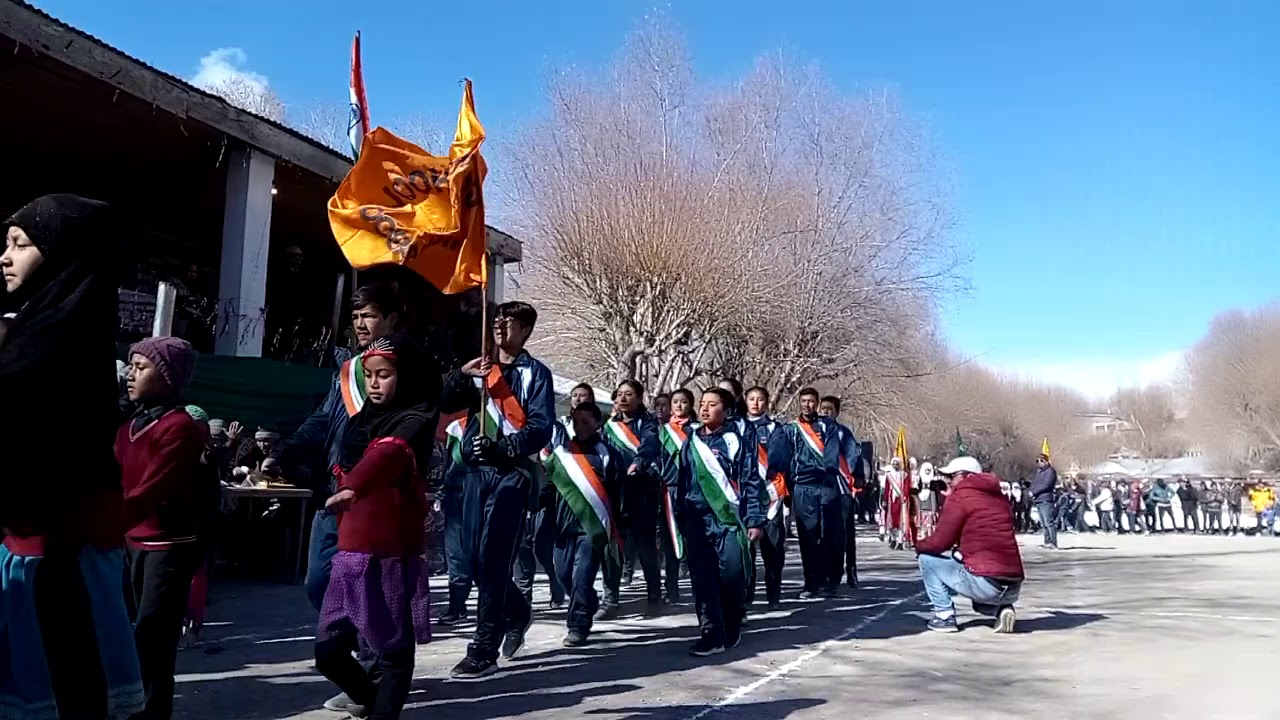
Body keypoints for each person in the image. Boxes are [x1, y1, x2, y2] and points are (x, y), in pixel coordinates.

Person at [0, 195, 145, 719]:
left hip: (58, 561)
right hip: (36, 551)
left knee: (64, 689)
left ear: (62, 256)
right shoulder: (39, 331)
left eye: (20, 244)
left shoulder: (53, 348)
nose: (4, 256)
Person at [268, 282, 405, 712]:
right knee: (318, 582)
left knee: (368, 589)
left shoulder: (403, 369)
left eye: (370, 315)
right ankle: (361, 661)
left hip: (372, 500)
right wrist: (286, 450)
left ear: (391, 320)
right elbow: (324, 419)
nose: (361, 324)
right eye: (357, 316)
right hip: (333, 497)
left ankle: (372, 675)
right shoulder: (346, 372)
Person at [315, 335, 437, 719]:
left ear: (406, 377)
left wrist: (354, 486)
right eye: (368, 375)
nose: (374, 383)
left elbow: (388, 455)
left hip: (390, 554)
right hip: (351, 553)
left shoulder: (416, 419)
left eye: (384, 375)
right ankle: (372, 702)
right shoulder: (360, 422)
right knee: (329, 653)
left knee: (394, 654)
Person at [441, 301, 555, 680]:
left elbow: (540, 428)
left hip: (512, 474)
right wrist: (461, 376)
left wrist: (504, 447)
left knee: (494, 559)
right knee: (472, 560)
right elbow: (445, 403)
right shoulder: (481, 369)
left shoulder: (536, 374)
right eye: (498, 319)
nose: (501, 325)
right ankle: (518, 611)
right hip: (475, 473)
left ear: (526, 330)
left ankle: (483, 649)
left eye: (511, 321)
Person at [117, 337, 207, 720]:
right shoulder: (128, 427)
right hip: (128, 543)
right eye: (131, 366)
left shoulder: (179, 427)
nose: (130, 374)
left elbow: (151, 489)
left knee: (153, 641)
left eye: (141, 368)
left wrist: (105, 523)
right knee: (125, 638)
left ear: (167, 376)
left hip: (167, 547)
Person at [672, 388, 765, 656]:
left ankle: (732, 621)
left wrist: (754, 520)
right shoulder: (691, 442)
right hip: (697, 521)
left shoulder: (736, 441)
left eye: (712, 405)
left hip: (728, 520)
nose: (704, 409)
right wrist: (681, 516)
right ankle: (710, 632)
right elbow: (682, 481)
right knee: (703, 579)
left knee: (732, 575)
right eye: (702, 404)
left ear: (726, 411)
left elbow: (750, 481)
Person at [543, 401, 623, 646]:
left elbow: (617, 492)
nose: (580, 427)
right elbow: (548, 487)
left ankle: (578, 625)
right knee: (563, 575)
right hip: (564, 525)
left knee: (582, 576)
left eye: (586, 422)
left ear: (597, 423)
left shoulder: (607, 454)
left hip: (592, 528)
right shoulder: (562, 453)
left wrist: (617, 525)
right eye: (576, 422)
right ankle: (588, 601)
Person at [914, 457, 1023, 634]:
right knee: (971, 576)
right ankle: (1001, 609)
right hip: (1012, 585)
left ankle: (944, 616)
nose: (948, 481)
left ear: (966, 476)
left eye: (951, 476)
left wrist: (919, 545)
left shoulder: (961, 497)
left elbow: (941, 542)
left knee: (927, 560)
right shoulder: (998, 496)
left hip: (985, 583)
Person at [766, 388, 845, 598]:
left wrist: (828, 474)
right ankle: (811, 582)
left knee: (831, 534)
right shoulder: (790, 429)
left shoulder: (827, 427)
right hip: (802, 487)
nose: (807, 405)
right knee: (808, 536)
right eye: (804, 401)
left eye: (811, 401)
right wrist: (782, 484)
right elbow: (782, 457)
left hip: (826, 486)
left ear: (817, 403)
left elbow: (832, 454)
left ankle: (832, 580)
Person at [599, 379, 663, 619]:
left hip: (640, 491)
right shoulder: (609, 426)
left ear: (639, 398)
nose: (623, 398)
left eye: (629, 394)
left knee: (645, 547)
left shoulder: (648, 424)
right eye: (619, 394)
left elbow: (650, 446)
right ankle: (610, 600)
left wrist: (638, 462)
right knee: (613, 546)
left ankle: (654, 595)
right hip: (614, 492)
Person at [744, 386, 787, 608]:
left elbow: (778, 458)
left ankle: (773, 594)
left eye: (760, 399)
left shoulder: (774, 428)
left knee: (773, 548)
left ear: (767, 402)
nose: (755, 403)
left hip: (770, 494)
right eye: (751, 399)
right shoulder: (737, 426)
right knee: (746, 550)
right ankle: (747, 595)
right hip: (746, 495)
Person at [657, 388, 698, 605]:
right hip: (669, 490)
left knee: (694, 538)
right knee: (669, 540)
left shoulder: (697, 430)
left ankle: (699, 586)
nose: (679, 406)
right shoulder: (663, 431)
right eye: (675, 402)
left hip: (693, 490)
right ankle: (671, 587)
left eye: (684, 402)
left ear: (691, 405)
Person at [818, 395, 862, 589]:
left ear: (836, 412)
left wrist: (858, 476)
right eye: (823, 408)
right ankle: (824, 572)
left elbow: (854, 457)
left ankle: (851, 568)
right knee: (823, 532)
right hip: (821, 489)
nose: (826, 412)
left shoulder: (844, 433)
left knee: (845, 531)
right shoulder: (814, 432)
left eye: (830, 409)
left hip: (842, 489)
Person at [1029, 453, 1059, 549]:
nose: (1039, 463)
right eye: (1037, 461)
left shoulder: (1050, 471)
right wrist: (1031, 490)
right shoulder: (1039, 472)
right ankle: (1047, 541)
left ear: (1046, 461)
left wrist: (1034, 492)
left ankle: (1053, 542)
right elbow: (1034, 483)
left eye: (1041, 461)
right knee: (1043, 523)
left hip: (1046, 499)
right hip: (1038, 499)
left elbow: (1046, 485)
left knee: (1048, 522)